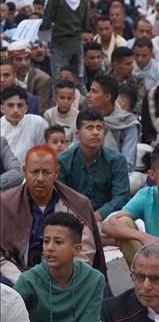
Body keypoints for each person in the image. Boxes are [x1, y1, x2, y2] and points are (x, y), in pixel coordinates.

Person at [0, 145, 105, 283]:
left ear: (56, 172)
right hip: (19, 276)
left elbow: (84, 252)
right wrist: (22, 280)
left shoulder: (77, 204)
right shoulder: (6, 204)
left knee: (99, 289)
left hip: (65, 277)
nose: (40, 178)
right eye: (34, 172)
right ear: (24, 171)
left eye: (47, 172)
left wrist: (64, 282)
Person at [13, 212, 106, 322]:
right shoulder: (28, 281)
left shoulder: (94, 280)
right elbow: (11, 315)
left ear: (76, 249)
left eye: (58, 242)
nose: (50, 248)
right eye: (46, 241)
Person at [57, 108, 130, 222]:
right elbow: (61, 197)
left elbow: (121, 197)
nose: (95, 132)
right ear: (77, 134)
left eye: (99, 128)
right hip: (72, 218)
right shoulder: (62, 161)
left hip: (107, 219)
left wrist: (99, 215)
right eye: (89, 128)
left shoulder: (117, 160)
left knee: (125, 221)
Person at [88, 75, 141, 172]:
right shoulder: (83, 120)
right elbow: (79, 158)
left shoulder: (128, 123)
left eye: (94, 91)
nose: (88, 95)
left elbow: (127, 163)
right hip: (88, 174)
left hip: (117, 175)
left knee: (138, 178)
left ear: (107, 97)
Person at [0, 85, 47, 162]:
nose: (15, 110)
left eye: (20, 105)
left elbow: (44, 151)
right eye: (10, 105)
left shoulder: (37, 123)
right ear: (2, 108)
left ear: (26, 108)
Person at [7, 41, 52, 111]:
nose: (24, 63)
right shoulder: (4, 78)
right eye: (19, 59)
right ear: (10, 61)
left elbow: (40, 110)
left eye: (27, 58)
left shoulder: (42, 79)